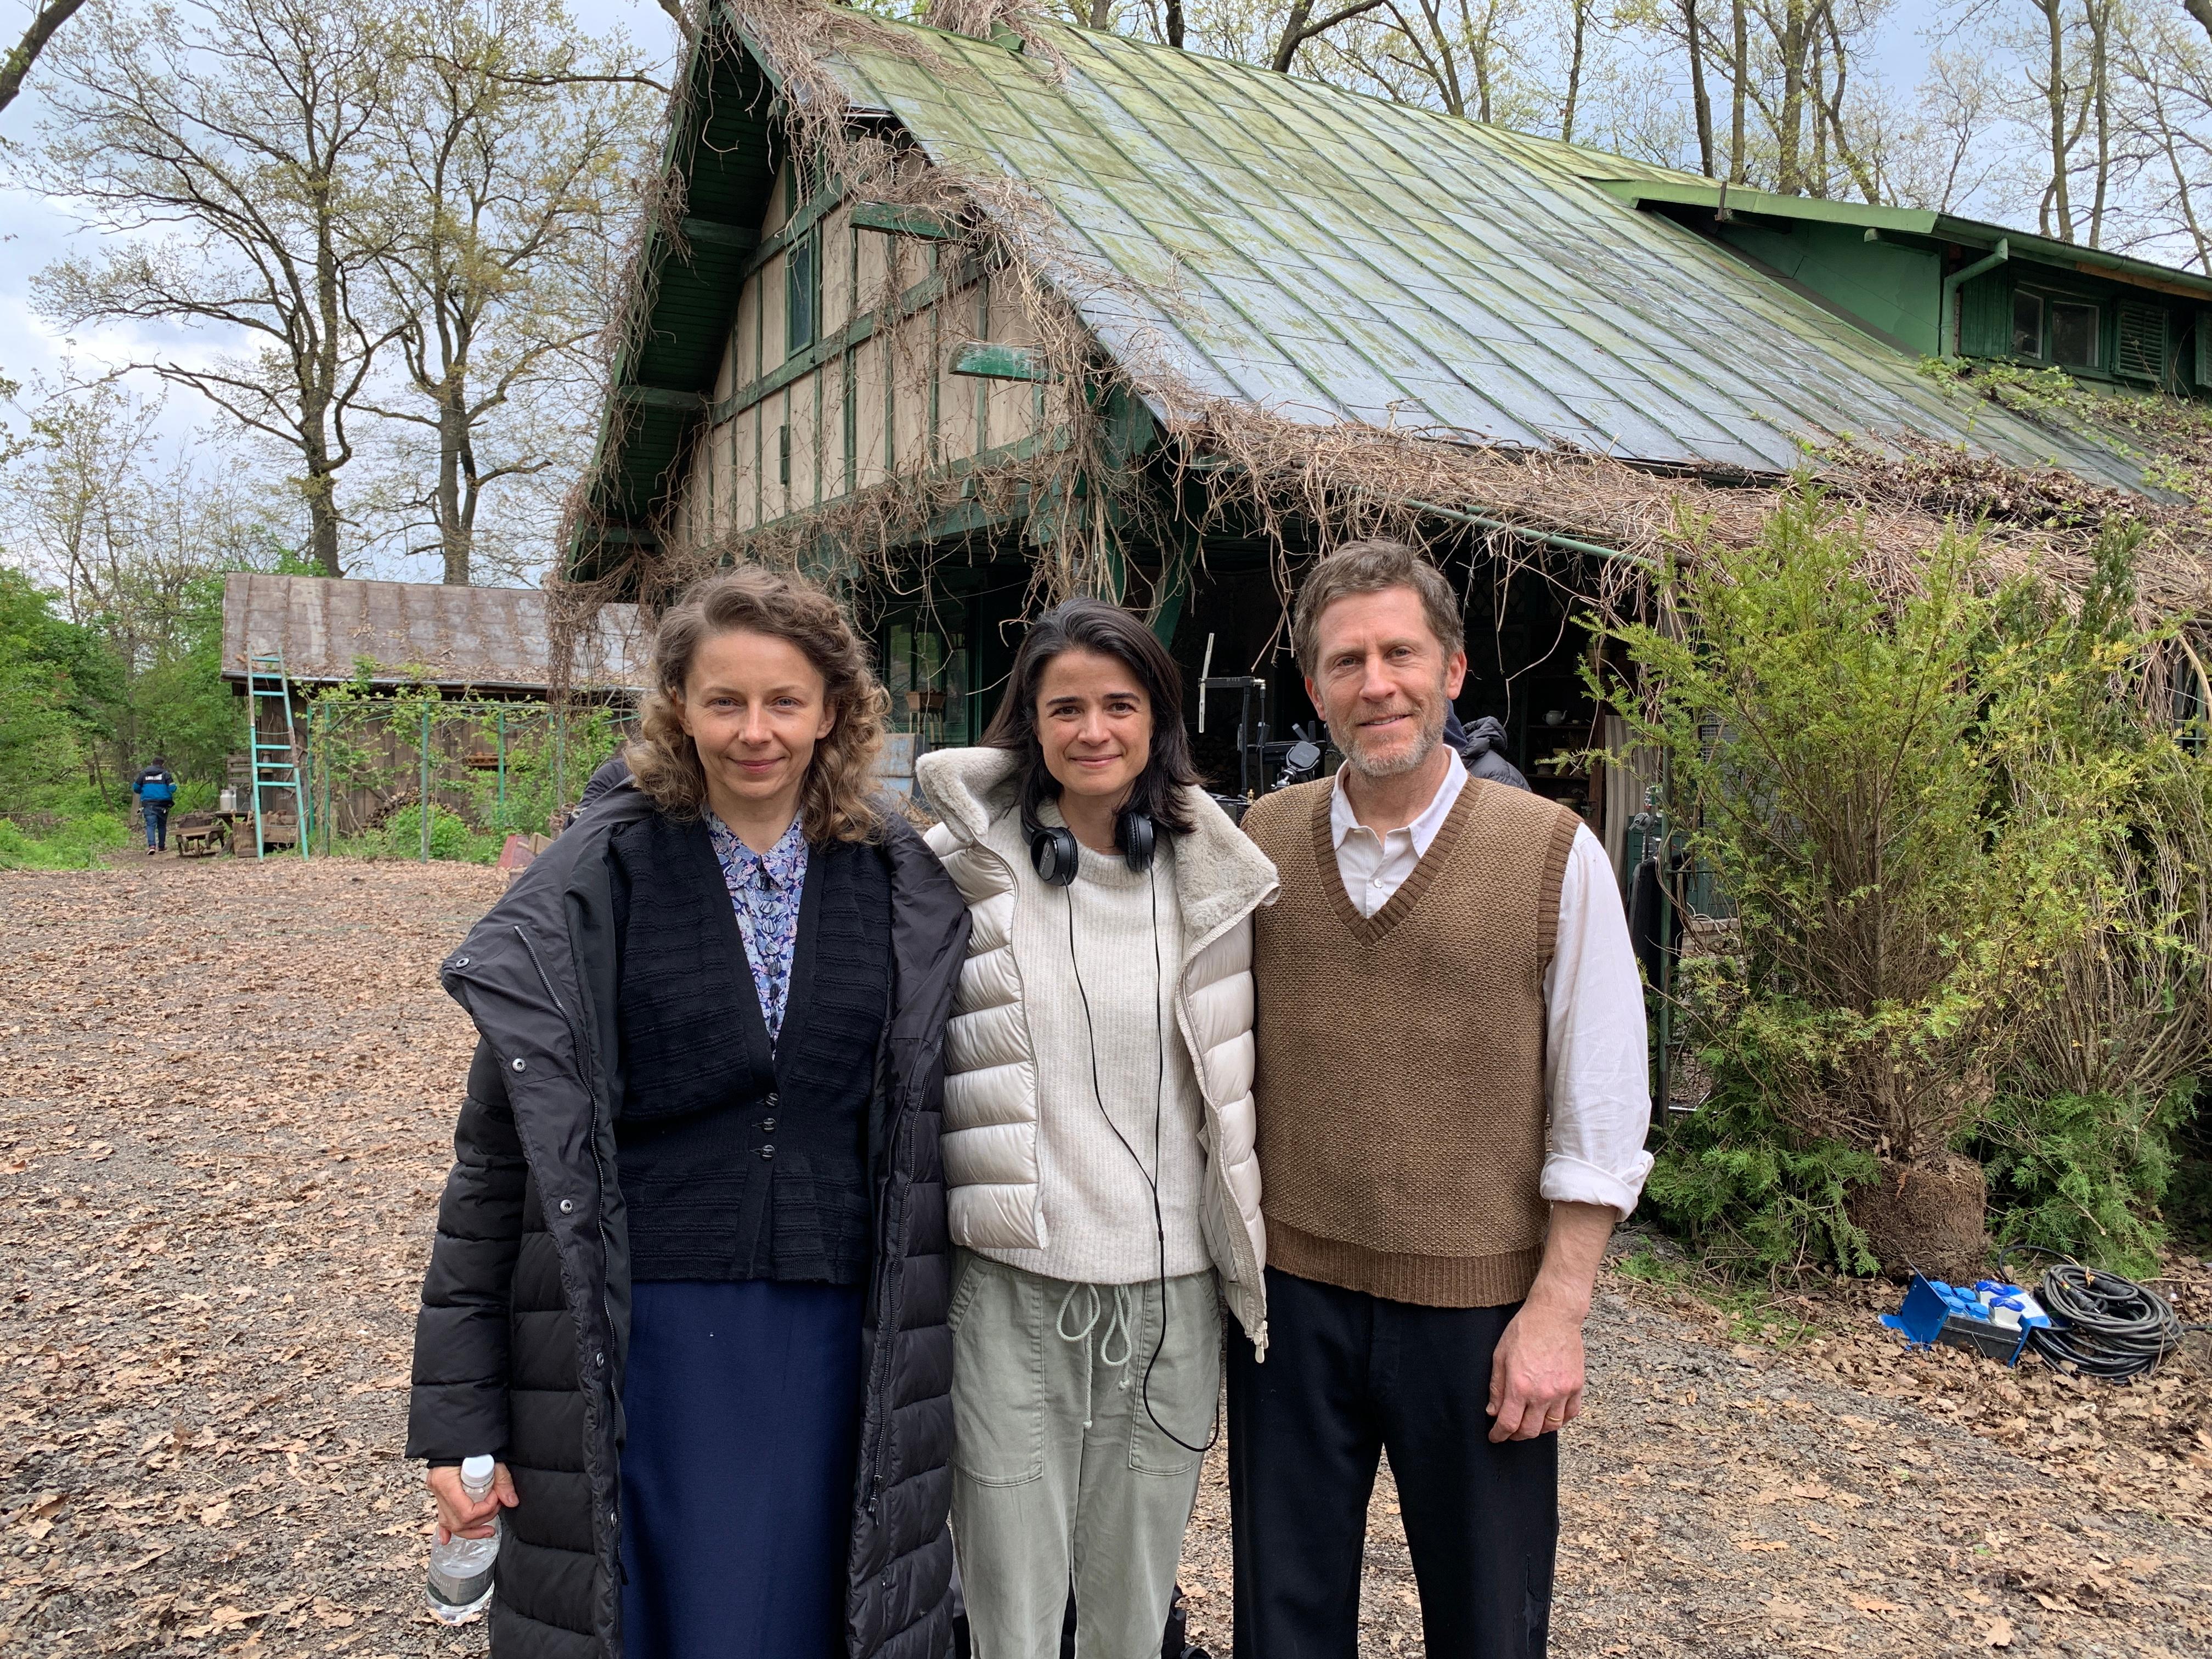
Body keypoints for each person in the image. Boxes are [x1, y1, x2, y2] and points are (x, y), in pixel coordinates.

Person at [404, 567, 970, 1659]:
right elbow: (495, 1172)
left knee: (818, 1613)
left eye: (785, 701)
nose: (755, 731)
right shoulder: (594, 884)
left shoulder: (900, 880)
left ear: (834, 711)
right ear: (678, 708)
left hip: (837, 1340)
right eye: (725, 701)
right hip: (642, 1336)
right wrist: (460, 1421)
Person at [1230, 540, 1651, 1659]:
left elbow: (1600, 1109)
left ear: (1453, 671)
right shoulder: (1258, 848)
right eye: (1347, 661)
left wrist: (1557, 1314)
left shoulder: (1552, 856)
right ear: (1314, 689)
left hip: (1477, 1313)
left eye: (1401, 654)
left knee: (1487, 1624)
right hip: (1291, 1303)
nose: (1378, 684)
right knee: (1286, 1617)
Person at [916, 598, 1277, 1659]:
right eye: (1063, 705)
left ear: (1157, 719)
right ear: (1028, 721)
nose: (1092, 729)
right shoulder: (956, 865)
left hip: (1169, 1292)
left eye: (1119, 704)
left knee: (1131, 1599)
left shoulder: (1220, 876)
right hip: (1009, 1283)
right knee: (1008, 1597)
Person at [132, 758, 178, 855]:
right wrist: (174, 787)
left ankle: (152, 846)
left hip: (148, 803)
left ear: (152, 764)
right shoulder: (166, 774)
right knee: (162, 825)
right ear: (163, 764)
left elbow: (136, 788)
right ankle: (161, 846)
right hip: (164, 804)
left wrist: (143, 791)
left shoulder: (143, 774)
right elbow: (172, 788)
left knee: (150, 825)